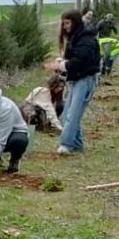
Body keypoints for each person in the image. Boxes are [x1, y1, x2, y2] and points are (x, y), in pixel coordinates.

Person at [44, 10, 100, 155]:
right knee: (68, 113)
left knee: (73, 114)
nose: (64, 27)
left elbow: (79, 62)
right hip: (76, 80)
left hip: (85, 80)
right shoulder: (76, 38)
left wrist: (60, 66)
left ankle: (66, 145)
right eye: (63, 24)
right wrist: (61, 62)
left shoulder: (86, 39)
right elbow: (73, 59)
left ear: (75, 22)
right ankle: (77, 144)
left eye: (67, 23)